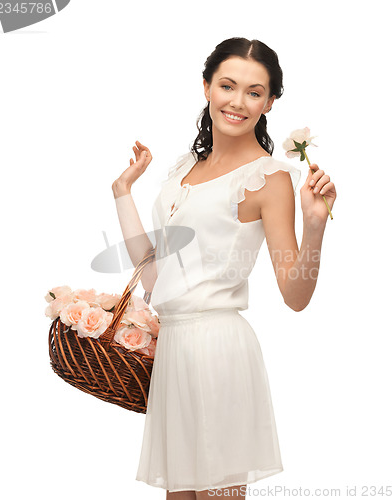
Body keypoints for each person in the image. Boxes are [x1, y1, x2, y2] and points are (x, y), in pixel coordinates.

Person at [112, 37, 337, 499]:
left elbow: (295, 297)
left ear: (270, 102)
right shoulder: (184, 168)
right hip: (174, 349)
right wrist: (122, 193)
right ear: (207, 87)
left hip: (218, 349)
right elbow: (153, 276)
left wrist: (314, 227)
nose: (237, 102)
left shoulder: (269, 178)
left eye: (254, 92)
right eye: (227, 86)